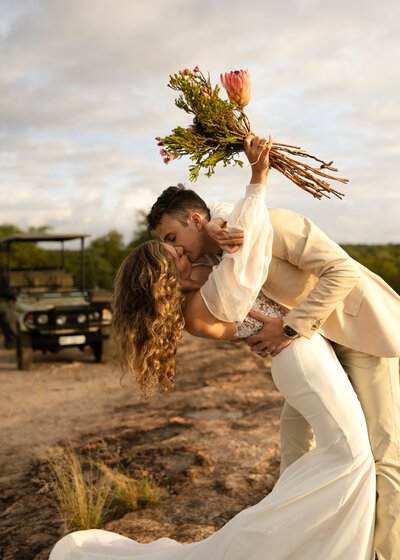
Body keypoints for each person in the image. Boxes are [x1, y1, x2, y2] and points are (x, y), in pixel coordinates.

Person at [50, 136, 376, 559]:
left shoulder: (203, 276)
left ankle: (299, 534)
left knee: (343, 456)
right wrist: (257, 177)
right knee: (352, 457)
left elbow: (221, 238)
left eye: (174, 239)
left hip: (304, 355)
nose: (181, 248)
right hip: (299, 359)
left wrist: (215, 225)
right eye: (172, 250)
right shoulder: (203, 304)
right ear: (167, 275)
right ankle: (275, 541)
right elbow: (246, 257)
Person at [147, 152, 400, 560]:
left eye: (173, 238)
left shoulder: (275, 226)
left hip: (359, 333)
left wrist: (286, 327)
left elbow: (345, 271)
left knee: (385, 454)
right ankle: (293, 543)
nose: (173, 249)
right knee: (296, 445)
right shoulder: (211, 256)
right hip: (311, 348)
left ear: (195, 220)